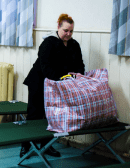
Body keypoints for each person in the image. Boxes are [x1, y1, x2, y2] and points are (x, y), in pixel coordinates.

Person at [20, 14, 85, 158]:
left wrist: (77, 78)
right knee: (34, 114)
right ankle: (25, 145)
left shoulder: (74, 45)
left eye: (71, 31)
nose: (68, 34)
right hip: (39, 81)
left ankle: (46, 146)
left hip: (58, 85)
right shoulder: (48, 43)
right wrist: (62, 79)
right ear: (58, 27)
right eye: (65, 30)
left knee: (51, 117)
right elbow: (46, 68)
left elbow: (80, 65)